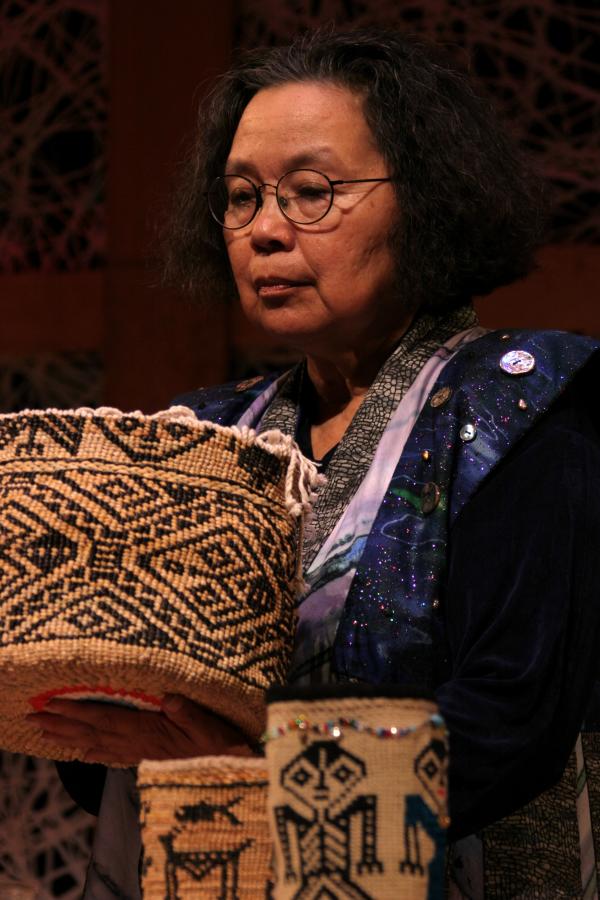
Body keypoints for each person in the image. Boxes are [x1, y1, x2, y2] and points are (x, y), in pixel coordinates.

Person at [33, 27, 600, 898]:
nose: (264, 231)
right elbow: (110, 734)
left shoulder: (517, 415)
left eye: (310, 192)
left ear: (427, 201)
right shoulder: (212, 441)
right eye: (240, 196)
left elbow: (510, 719)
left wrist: (251, 760)